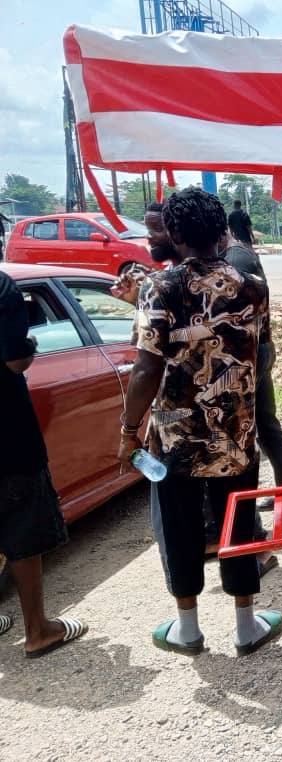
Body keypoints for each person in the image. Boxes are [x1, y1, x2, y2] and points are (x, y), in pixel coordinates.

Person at [117, 187, 282, 657]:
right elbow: (256, 347)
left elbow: (148, 366)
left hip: (177, 437)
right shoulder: (252, 284)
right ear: (221, 231)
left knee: (179, 524)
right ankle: (246, 625)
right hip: (238, 432)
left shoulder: (159, 286)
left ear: (173, 232)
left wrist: (129, 431)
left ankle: (187, 629)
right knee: (238, 520)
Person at [0, 269, 88, 657]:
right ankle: (39, 630)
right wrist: (30, 342)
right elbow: (16, 361)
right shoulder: (3, 287)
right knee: (23, 530)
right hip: (6, 436)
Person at [219, 236, 282, 512]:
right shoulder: (240, 254)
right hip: (259, 347)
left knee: (244, 427)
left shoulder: (234, 259)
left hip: (250, 351)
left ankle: (243, 511)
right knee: (266, 426)